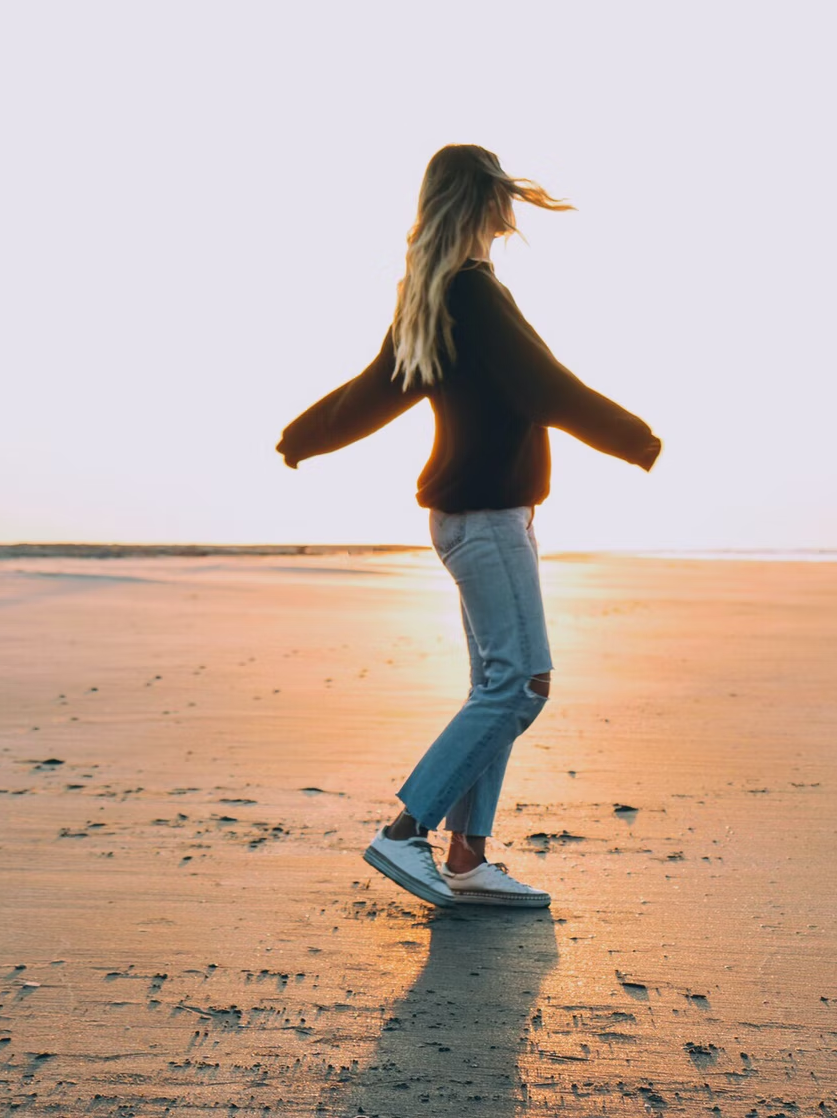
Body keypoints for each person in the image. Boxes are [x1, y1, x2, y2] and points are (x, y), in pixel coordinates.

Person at [277, 144, 661, 908]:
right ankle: (406, 830)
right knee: (522, 683)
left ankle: (467, 859)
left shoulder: (433, 297)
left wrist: (301, 436)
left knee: (497, 685)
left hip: (470, 518)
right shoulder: (474, 295)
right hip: (486, 519)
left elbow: (367, 394)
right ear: (488, 204)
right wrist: (635, 439)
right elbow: (545, 387)